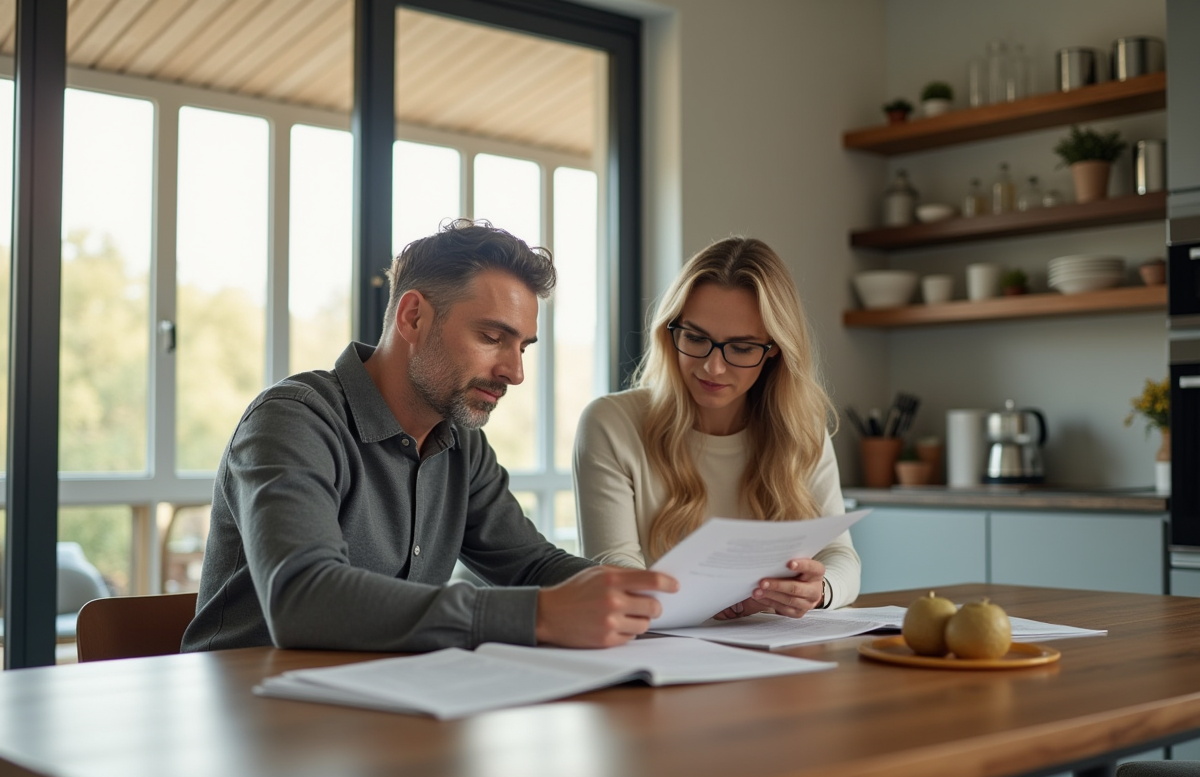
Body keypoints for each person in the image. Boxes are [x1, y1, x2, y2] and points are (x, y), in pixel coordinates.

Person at [182, 219, 676, 654]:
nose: (515, 372)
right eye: (491, 337)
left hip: (382, 712)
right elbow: (303, 598)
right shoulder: (293, 421)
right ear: (412, 316)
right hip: (252, 716)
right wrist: (537, 615)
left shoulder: (461, 442)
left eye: (522, 346)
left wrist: (659, 596)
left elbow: (530, 566)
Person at [573, 236, 860, 618]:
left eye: (740, 348)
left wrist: (819, 589)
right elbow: (613, 568)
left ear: (774, 349)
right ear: (669, 331)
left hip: (776, 655)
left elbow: (841, 556)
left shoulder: (800, 429)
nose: (713, 367)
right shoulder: (611, 424)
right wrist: (700, 597)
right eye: (695, 338)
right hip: (662, 653)